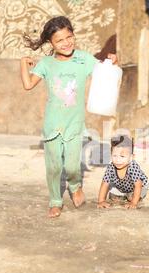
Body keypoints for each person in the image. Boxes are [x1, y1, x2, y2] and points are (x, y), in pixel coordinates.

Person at [20, 16, 117, 218]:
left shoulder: (84, 59)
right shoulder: (46, 64)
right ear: (51, 43)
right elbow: (28, 85)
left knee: (72, 166)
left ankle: (75, 185)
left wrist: (113, 61)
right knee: (54, 167)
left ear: (73, 35)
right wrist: (23, 63)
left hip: (75, 124)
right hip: (53, 124)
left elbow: (105, 71)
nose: (66, 43)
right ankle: (55, 201)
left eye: (69, 37)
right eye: (60, 40)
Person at [97, 135, 149, 210]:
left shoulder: (133, 167)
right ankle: (123, 195)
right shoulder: (111, 167)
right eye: (115, 156)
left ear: (131, 157)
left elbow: (138, 185)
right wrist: (101, 201)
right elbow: (105, 184)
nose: (118, 160)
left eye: (122, 156)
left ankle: (133, 197)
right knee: (114, 197)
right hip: (121, 185)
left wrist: (134, 203)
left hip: (139, 186)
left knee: (132, 198)